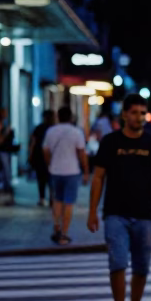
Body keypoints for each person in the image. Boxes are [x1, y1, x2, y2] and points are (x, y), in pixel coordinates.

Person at [87, 95, 151, 301]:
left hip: (146, 214)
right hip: (115, 213)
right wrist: (93, 211)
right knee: (117, 263)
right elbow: (98, 177)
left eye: (142, 112)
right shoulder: (110, 142)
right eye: (134, 112)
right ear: (124, 114)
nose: (138, 117)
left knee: (141, 267)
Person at [42, 105, 89, 245]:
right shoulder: (76, 132)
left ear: (58, 117)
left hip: (55, 171)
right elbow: (82, 153)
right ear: (71, 117)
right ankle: (64, 233)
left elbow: (45, 150)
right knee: (69, 203)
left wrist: (50, 163)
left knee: (57, 200)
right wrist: (86, 171)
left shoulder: (51, 131)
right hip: (72, 171)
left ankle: (56, 225)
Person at [27, 109, 56, 206]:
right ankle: (51, 197)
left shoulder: (39, 128)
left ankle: (42, 198)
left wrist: (30, 155)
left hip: (39, 156)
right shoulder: (54, 129)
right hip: (50, 157)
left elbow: (33, 142)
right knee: (50, 178)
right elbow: (33, 142)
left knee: (41, 179)